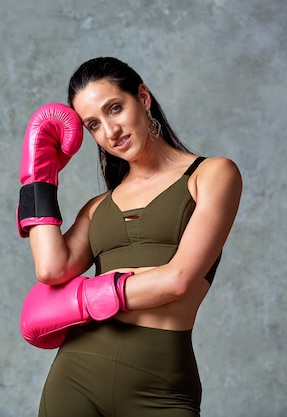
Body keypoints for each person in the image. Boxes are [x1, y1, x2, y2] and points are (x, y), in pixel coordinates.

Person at [16, 57, 242, 416]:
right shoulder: (97, 207)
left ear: (143, 97)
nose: (110, 131)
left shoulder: (211, 175)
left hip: (161, 382)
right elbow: (51, 269)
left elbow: (179, 280)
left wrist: (90, 294)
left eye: (115, 108)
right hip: (77, 373)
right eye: (94, 124)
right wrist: (38, 179)